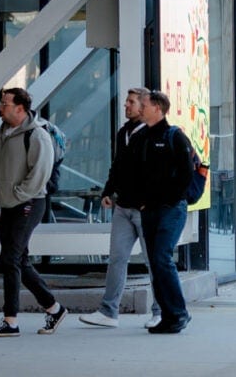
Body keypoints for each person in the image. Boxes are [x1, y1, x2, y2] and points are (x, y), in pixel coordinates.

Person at [0, 88, 68, 337]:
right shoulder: (2, 133)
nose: (0, 108)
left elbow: (39, 177)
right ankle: (54, 309)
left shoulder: (37, 136)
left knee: (10, 259)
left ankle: (10, 321)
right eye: (1, 103)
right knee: (19, 260)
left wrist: (16, 195)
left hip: (30, 203)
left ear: (20, 109)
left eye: (5, 104)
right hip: (7, 204)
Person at [83, 88, 162, 329]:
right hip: (123, 207)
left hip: (146, 210)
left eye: (131, 102)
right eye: (126, 102)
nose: (126, 106)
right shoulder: (123, 133)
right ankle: (109, 311)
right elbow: (117, 166)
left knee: (155, 261)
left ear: (144, 106)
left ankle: (161, 310)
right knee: (117, 258)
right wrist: (108, 192)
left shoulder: (154, 135)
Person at [131, 91, 202, 333]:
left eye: (145, 104)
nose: (140, 108)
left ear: (158, 108)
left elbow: (186, 173)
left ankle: (179, 313)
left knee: (162, 257)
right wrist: (139, 201)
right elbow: (133, 172)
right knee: (155, 261)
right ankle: (169, 316)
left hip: (171, 209)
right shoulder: (141, 137)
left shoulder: (175, 136)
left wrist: (171, 199)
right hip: (148, 209)